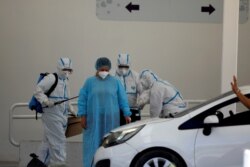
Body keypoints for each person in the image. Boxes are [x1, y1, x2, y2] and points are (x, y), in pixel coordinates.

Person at [77, 57, 132, 167]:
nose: (104, 72)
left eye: (106, 70)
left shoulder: (115, 81)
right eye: (102, 69)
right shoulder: (89, 82)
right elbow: (82, 99)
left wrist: (127, 114)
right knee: (92, 142)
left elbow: (122, 99)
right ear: (97, 69)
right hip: (93, 118)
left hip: (111, 118)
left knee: (110, 142)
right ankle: (90, 164)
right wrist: (82, 116)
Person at [33, 57, 75, 167]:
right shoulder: (51, 78)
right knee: (59, 141)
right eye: (65, 69)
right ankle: (59, 163)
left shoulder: (66, 81)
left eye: (69, 70)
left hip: (62, 116)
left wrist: (71, 108)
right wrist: (46, 101)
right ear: (59, 68)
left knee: (48, 143)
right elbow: (37, 91)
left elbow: (67, 96)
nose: (67, 72)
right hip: (51, 115)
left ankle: (38, 164)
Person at [115, 53, 143, 125]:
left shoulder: (136, 76)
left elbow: (142, 94)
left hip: (132, 111)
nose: (123, 69)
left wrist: (139, 105)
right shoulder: (112, 76)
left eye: (126, 66)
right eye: (121, 66)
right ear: (117, 64)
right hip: (116, 111)